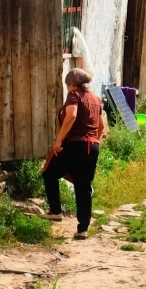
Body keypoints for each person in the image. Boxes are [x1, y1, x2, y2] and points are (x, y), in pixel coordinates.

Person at [41, 68, 104, 239]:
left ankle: (55, 210)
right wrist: (93, 142)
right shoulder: (96, 99)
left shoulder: (74, 95)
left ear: (70, 84)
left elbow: (71, 116)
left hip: (75, 143)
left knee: (49, 173)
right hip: (93, 146)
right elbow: (101, 126)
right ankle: (83, 229)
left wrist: (58, 141)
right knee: (83, 186)